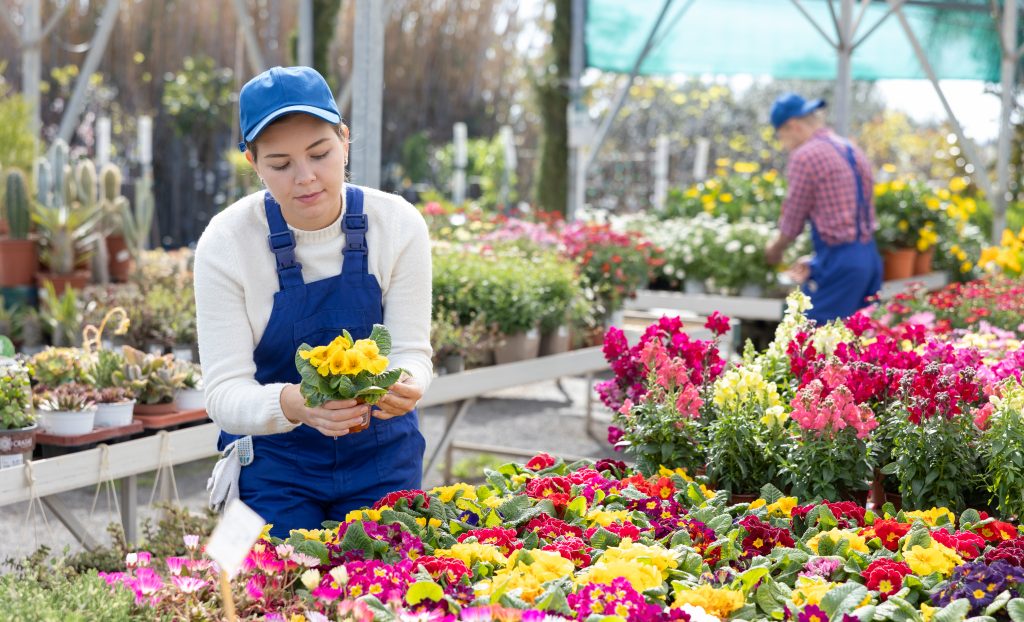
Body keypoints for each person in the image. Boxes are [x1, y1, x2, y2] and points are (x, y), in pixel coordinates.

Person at [194, 66, 433, 537]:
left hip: (382, 457)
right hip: (271, 464)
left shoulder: (399, 224)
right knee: (262, 594)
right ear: (252, 161)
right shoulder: (225, 242)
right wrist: (296, 404)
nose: (306, 178)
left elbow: (411, 352)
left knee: (383, 597)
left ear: (344, 139)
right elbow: (222, 395)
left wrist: (409, 382)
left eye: (320, 153)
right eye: (280, 164)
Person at [764, 93, 882, 324]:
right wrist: (817, 262)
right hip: (869, 258)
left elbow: (793, 221)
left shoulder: (806, 156)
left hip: (842, 265)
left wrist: (774, 250)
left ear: (792, 126)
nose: (783, 144)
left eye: (781, 136)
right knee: (860, 341)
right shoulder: (850, 148)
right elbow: (848, 222)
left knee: (814, 341)